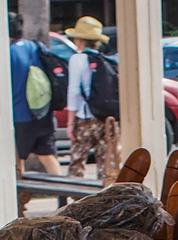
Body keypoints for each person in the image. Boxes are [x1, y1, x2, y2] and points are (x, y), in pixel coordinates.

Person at [8, 14, 59, 179]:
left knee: (17, 157)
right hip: (43, 111)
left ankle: (19, 197)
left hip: (20, 113)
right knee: (46, 154)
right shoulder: (37, 47)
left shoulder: (7, 53)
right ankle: (62, 192)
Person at [65, 16, 111, 182]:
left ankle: (76, 201)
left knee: (77, 163)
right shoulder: (105, 60)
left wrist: (70, 123)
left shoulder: (77, 59)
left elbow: (74, 91)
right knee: (105, 164)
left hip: (85, 117)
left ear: (79, 39)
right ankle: (106, 201)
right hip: (105, 118)